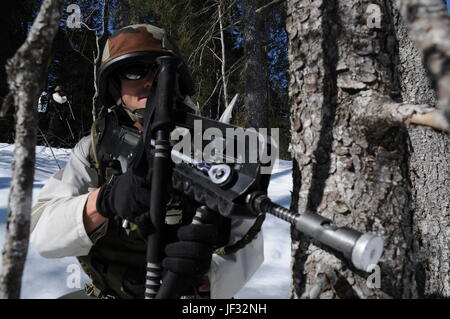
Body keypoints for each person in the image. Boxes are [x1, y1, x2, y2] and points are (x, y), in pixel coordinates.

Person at [30, 24, 264, 299]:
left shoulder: (215, 146)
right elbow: (43, 235)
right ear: (114, 86)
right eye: (133, 71)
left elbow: (249, 242)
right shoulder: (94, 150)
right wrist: (103, 201)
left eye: (161, 69)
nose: (151, 81)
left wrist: (207, 277)